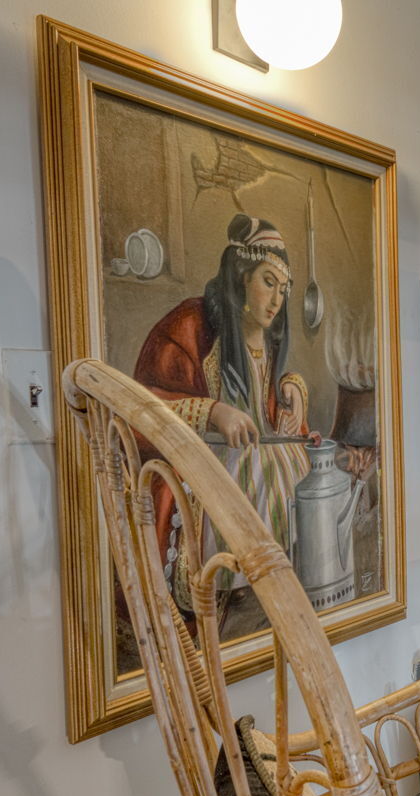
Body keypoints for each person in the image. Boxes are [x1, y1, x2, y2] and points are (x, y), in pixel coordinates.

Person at [134, 213, 312, 608]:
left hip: (247, 455)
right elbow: (139, 407)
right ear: (241, 276)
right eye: (269, 282)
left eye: (284, 288)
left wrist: (292, 386)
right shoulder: (190, 324)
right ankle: (243, 580)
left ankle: (270, 582)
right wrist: (214, 412)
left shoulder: (264, 337)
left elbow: (266, 408)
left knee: (293, 464)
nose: (278, 299)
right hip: (196, 466)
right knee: (268, 472)